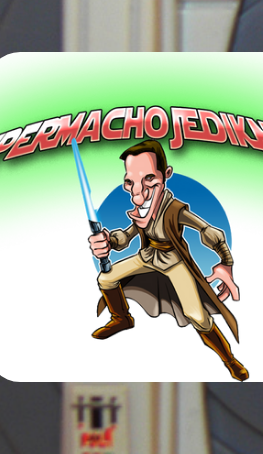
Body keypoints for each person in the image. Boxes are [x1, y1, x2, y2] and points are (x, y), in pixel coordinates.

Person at [87, 139, 247, 381]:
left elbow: (209, 231)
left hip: (174, 262)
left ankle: (230, 360)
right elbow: (126, 236)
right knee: (106, 278)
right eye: (130, 182)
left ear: (166, 174)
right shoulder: (141, 211)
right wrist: (108, 241)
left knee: (197, 316)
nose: (138, 193)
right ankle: (122, 318)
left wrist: (226, 261)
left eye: (149, 179)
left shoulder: (174, 209)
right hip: (147, 257)